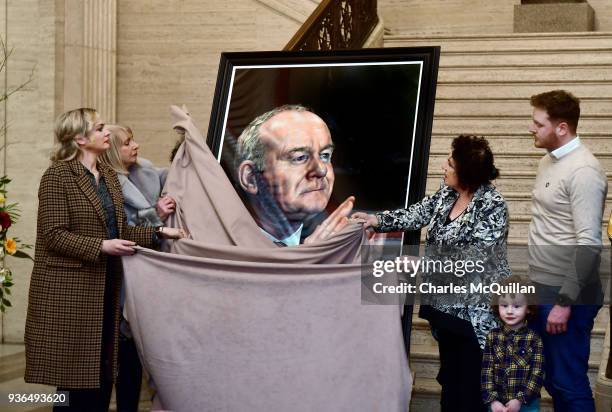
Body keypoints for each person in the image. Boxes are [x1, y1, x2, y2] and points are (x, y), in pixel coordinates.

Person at [24, 108, 185, 412]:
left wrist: (161, 231)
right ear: (81, 139)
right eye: (99, 128)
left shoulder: (109, 176)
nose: (106, 132)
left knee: (100, 378)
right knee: (73, 385)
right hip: (70, 293)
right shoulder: (57, 175)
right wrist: (102, 246)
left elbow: (121, 229)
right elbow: (54, 235)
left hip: (105, 289)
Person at [353, 135, 510, 412]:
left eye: (450, 163)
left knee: (471, 390)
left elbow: (474, 261)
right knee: (449, 383)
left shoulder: (492, 205)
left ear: (466, 171)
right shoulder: (448, 192)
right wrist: (377, 220)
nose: (443, 167)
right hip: (443, 309)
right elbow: (417, 214)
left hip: (474, 315)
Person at [527, 90, 607, 412]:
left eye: (538, 123)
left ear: (562, 128)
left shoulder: (584, 171)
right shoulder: (549, 160)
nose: (531, 128)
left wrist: (564, 302)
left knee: (568, 383)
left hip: (566, 294)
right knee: (548, 377)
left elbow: (588, 243)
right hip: (542, 286)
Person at [99, 124, 175, 411]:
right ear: (114, 151)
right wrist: (156, 213)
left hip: (145, 274)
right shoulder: (107, 184)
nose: (136, 146)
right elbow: (119, 227)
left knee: (132, 353)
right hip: (119, 275)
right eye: (128, 143)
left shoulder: (144, 170)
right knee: (115, 352)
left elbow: (172, 177)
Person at [236, 104, 354, 245]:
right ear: (251, 178)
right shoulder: (216, 243)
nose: (321, 170)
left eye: (325, 155)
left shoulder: (342, 239)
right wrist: (306, 263)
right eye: (299, 157)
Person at [481, 275, 544, 412]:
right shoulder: (492, 336)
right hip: (497, 405)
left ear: (528, 308)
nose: (509, 311)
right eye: (504, 305)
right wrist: (492, 401)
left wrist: (520, 400)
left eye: (517, 306)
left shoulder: (534, 338)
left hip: (527, 404)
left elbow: (537, 373)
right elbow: (486, 372)